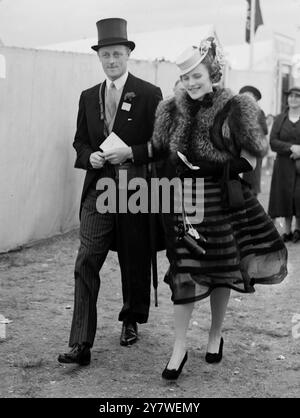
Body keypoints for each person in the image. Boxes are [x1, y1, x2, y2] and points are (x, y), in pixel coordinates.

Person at [150, 38, 288, 380]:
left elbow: (256, 155)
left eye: (197, 75)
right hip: (185, 203)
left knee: (222, 269)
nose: (192, 82)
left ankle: (214, 336)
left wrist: (223, 167)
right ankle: (179, 347)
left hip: (223, 202)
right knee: (184, 270)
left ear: (212, 73)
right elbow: (155, 151)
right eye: (185, 78)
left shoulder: (237, 106)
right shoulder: (169, 110)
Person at [58, 18, 163, 366]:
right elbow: (79, 141)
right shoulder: (88, 97)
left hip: (135, 189)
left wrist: (130, 153)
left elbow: (159, 144)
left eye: (117, 54)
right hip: (98, 188)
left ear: (128, 55)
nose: (112, 60)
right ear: (99, 57)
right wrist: (91, 156)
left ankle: (131, 318)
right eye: (106, 55)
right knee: (87, 258)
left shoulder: (149, 94)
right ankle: (80, 343)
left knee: (134, 257)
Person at [268, 86, 300, 243]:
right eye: (290, 96)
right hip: (284, 165)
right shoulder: (280, 119)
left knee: (298, 196)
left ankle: (298, 229)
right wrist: (291, 147)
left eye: (297, 96)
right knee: (286, 196)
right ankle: (287, 231)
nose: (293, 99)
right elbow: (273, 142)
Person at [239, 85, 268, 196]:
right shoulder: (235, 111)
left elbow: (264, 130)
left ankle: (252, 198)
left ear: (255, 99)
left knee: (252, 179)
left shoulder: (259, 112)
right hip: (237, 149)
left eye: (250, 96)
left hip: (253, 150)